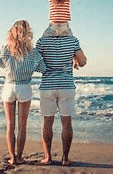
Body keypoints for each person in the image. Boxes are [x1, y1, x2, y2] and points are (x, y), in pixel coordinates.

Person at [0, 20, 47, 165]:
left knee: (10, 125)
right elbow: (43, 69)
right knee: (22, 126)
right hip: (24, 89)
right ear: (27, 34)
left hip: (9, 88)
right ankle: (20, 156)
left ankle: (12, 158)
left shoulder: (5, 48)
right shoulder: (33, 52)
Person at [35, 34, 87, 166]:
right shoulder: (73, 40)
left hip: (47, 86)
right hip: (66, 86)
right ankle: (65, 159)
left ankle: (47, 158)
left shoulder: (42, 41)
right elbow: (83, 62)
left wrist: (47, 66)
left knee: (47, 122)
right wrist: (74, 58)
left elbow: (35, 64)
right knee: (66, 122)